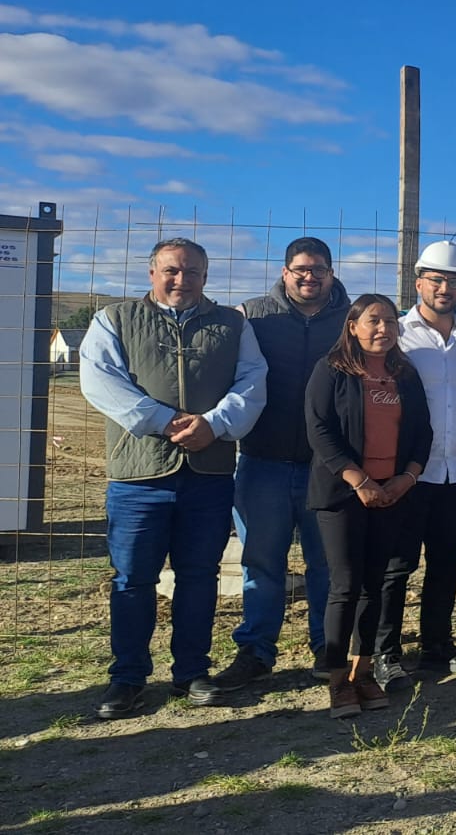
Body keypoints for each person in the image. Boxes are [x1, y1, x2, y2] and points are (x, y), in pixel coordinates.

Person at [80, 238, 268, 719]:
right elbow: (101, 380)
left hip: (209, 472)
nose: (182, 280)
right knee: (133, 580)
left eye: (193, 272)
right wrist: (164, 421)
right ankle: (127, 678)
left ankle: (191, 672)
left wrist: (214, 425)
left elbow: (252, 381)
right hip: (139, 475)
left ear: (206, 276)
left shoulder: (233, 325)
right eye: (172, 270)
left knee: (199, 576)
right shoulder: (114, 319)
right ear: (152, 273)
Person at [216, 236, 349, 691]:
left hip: (326, 466)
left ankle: (328, 647)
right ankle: (256, 651)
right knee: (261, 562)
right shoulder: (252, 316)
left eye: (318, 270)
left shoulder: (351, 320)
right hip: (262, 460)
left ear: (331, 273)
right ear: (285, 272)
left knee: (326, 563)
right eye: (301, 269)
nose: (309, 277)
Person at [305, 294, 432, 719]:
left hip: (391, 494)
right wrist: (358, 480)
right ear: (353, 326)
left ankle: (363, 673)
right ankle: (338, 679)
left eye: (391, 322)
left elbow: (423, 432)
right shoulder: (332, 370)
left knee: (374, 585)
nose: (383, 329)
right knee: (345, 585)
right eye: (373, 321)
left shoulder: (405, 374)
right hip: (344, 494)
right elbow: (319, 430)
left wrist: (406, 478)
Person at [379, 241, 456, 685]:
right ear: (417, 281)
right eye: (436, 279)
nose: (444, 288)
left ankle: (437, 648)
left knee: (446, 563)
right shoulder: (397, 335)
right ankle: (386, 653)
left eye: (454, 281)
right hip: (410, 473)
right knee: (397, 565)